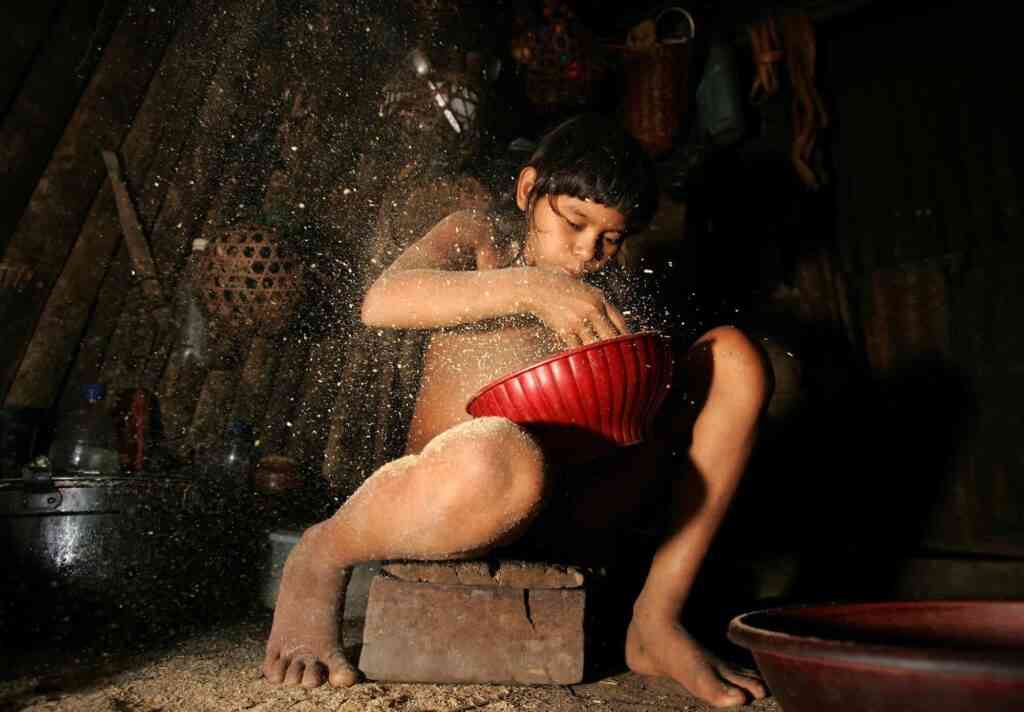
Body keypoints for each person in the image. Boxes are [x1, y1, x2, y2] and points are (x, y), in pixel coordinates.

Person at [263, 114, 771, 708]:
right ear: (529, 190)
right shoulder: (480, 238)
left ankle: (656, 619)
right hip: (463, 496)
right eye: (574, 223)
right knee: (504, 456)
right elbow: (381, 302)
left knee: (734, 358)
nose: (588, 252)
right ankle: (322, 554)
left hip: (567, 510)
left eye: (611, 238)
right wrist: (529, 287)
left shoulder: (612, 284)